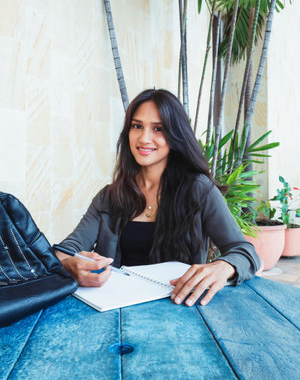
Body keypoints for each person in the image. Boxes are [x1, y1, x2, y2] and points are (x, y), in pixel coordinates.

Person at [56, 88, 260, 306]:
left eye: (158, 129)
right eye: (137, 126)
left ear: (175, 135)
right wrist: (70, 264)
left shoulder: (199, 190)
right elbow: (65, 251)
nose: (144, 138)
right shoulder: (109, 196)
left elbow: (244, 252)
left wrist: (223, 267)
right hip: (115, 310)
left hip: (179, 310)